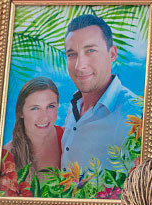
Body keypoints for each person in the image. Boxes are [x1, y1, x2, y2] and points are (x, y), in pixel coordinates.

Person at [59, 13, 142, 173]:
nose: (79, 65)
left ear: (112, 54)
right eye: (72, 54)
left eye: (90, 50)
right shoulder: (74, 105)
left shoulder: (135, 114)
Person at [0, 77, 62, 197]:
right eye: (35, 108)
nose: (44, 117)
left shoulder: (70, 139)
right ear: (21, 112)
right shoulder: (6, 155)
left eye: (51, 106)